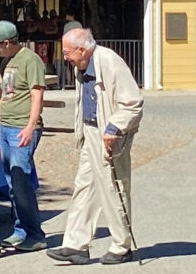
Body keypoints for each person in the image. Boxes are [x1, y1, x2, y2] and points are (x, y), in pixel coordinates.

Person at [47, 28, 143, 265]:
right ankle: (76, 245)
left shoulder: (109, 62)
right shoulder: (81, 66)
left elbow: (133, 103)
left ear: (82, 49)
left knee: (113, 187)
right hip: (90, 131)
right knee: (84, 186)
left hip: (110, 133)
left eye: (68, 52)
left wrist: (114, 127)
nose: (65, 57)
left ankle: (122, 246)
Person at [0, 20, 48, 251]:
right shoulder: (7, 62)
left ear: (7, 42)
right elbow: (4, 95)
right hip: (7, 126)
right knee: (11, 181)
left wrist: (31, 126)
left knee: (21, 181)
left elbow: (37, 94)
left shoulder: (31, 60)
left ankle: (35, 235)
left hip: (22, 127)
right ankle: (21, 229)